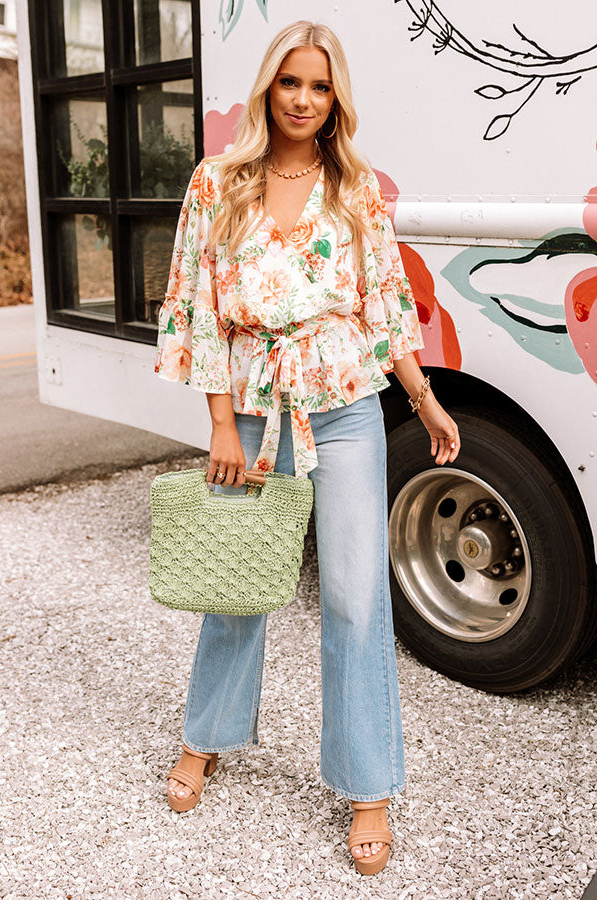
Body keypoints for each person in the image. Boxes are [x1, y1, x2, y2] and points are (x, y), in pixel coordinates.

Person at [154, 19, 460, 876]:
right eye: (290, 82)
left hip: (347, 407)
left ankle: (368, 784)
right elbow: (201, 309)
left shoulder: (355, 186)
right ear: (267, 88)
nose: (302, 99)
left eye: (319, 86)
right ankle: (205, 737)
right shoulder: (218, 183)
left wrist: (425, 400)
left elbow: (387, 308)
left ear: (336, 100)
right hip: (250, 409)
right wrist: (220, 421)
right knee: (237, 582)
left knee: (357, 597)